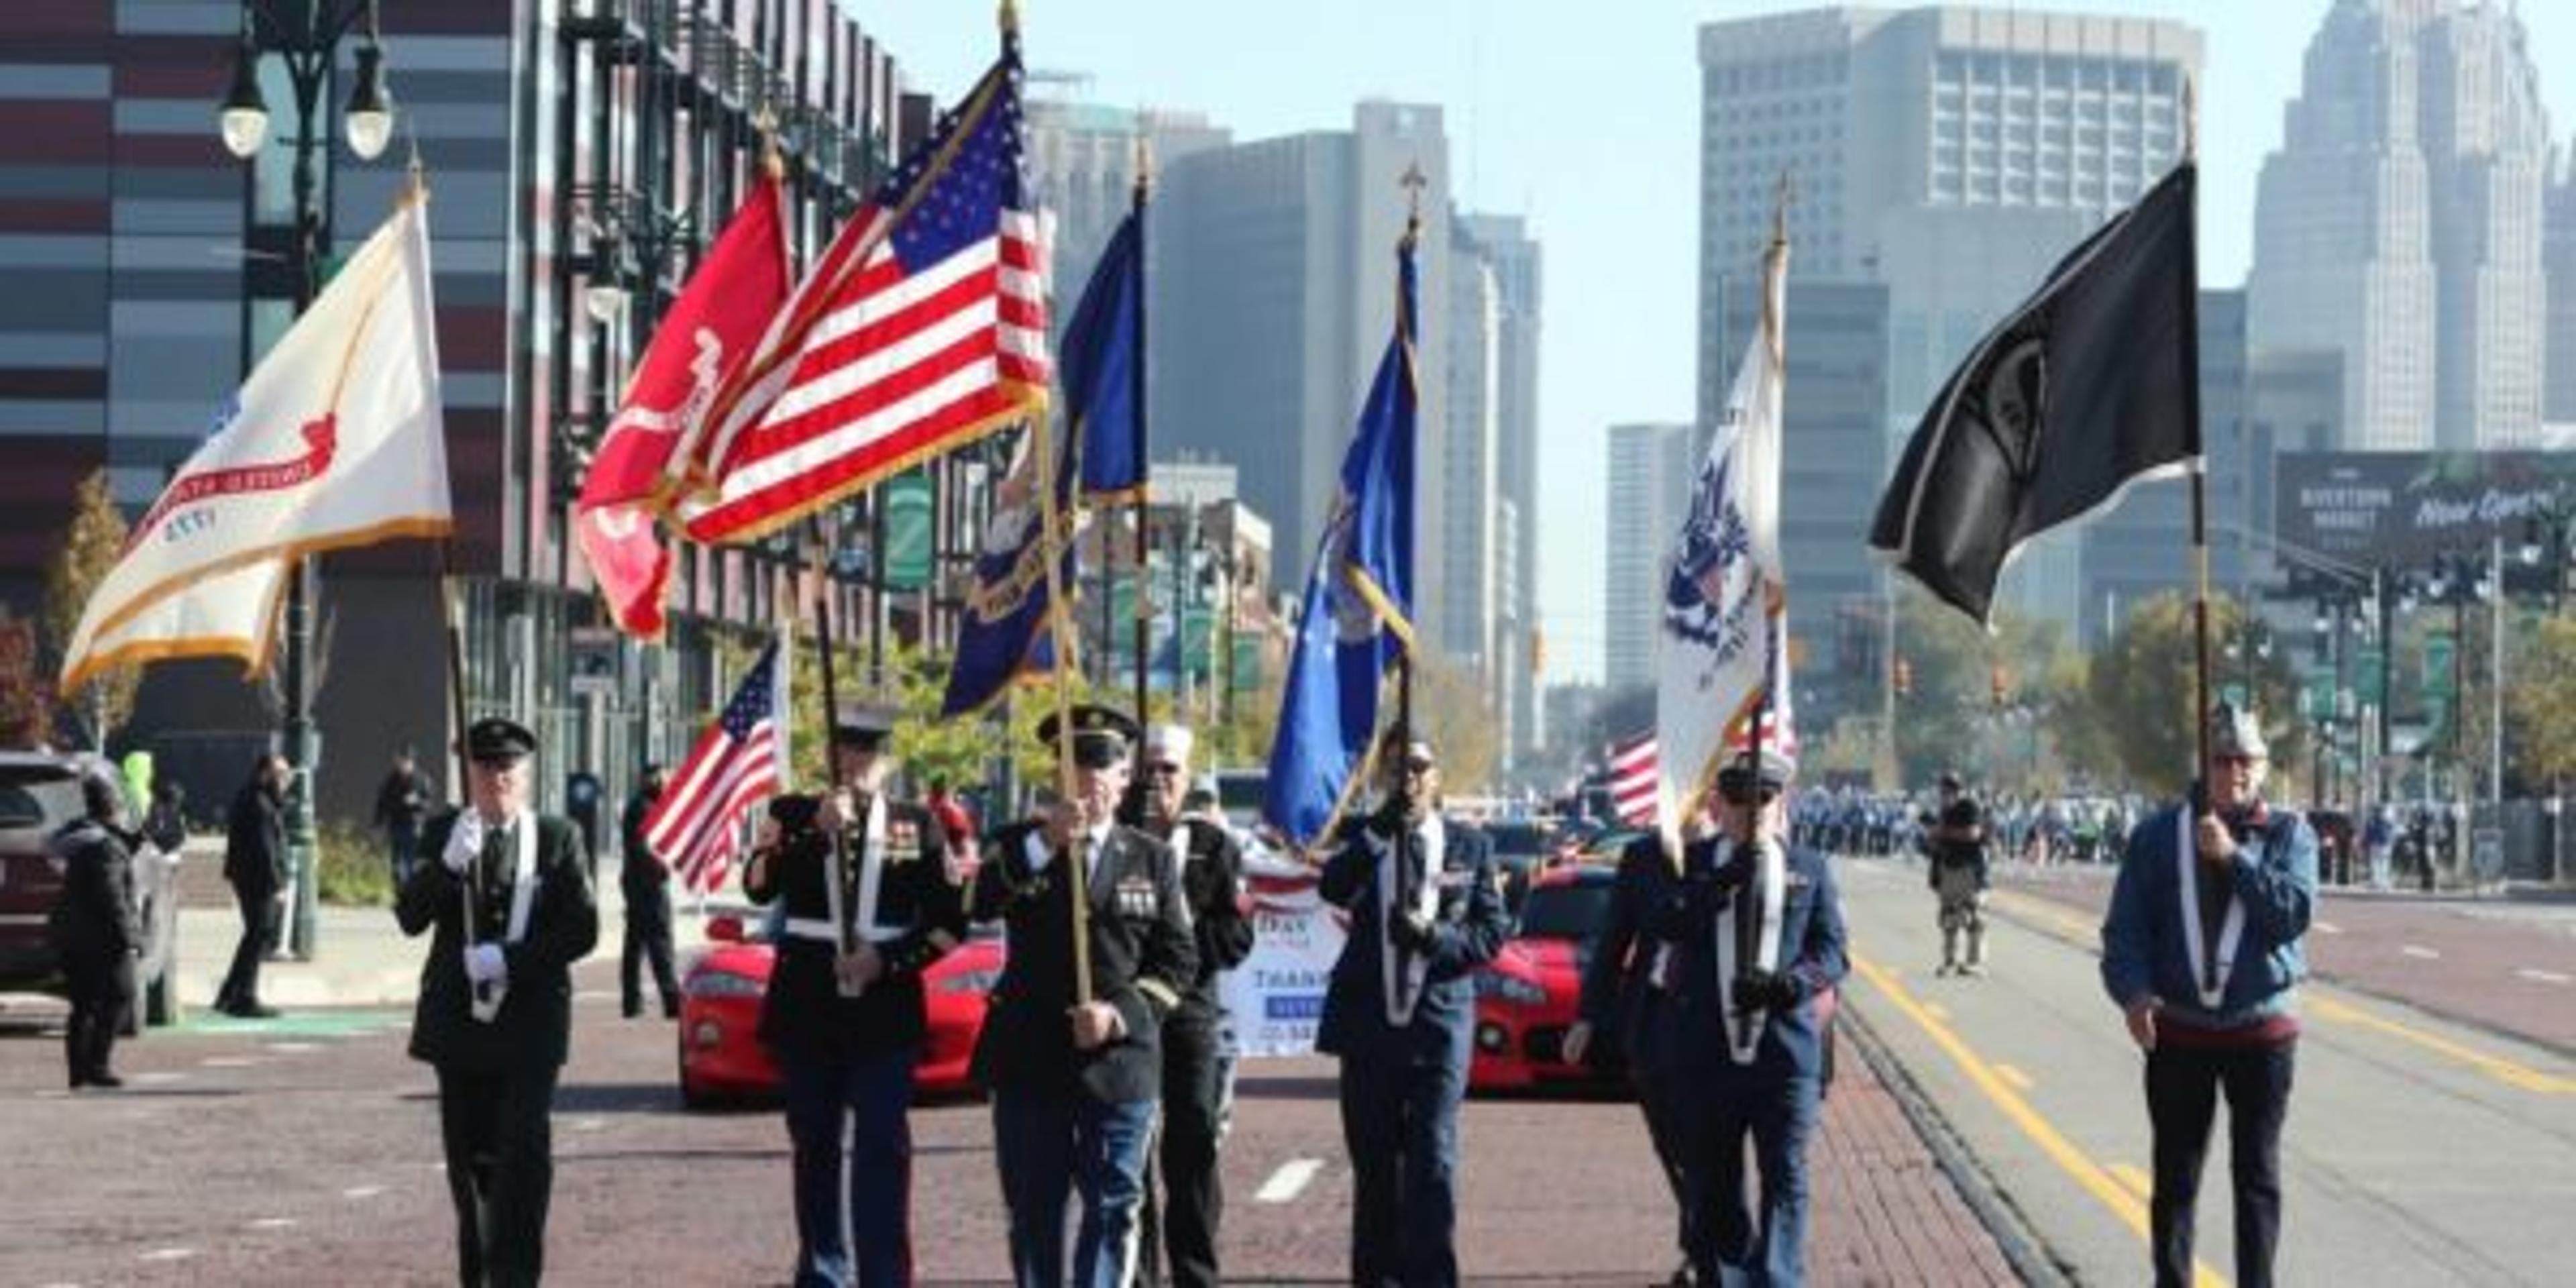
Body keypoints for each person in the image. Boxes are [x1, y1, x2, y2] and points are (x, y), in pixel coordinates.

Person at [970, 703, 1195, 1288]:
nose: (1091, 777)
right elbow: (978, 902)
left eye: (1105, 764)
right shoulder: (1018, 844)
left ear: (1126, 778)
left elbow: (1178, 961)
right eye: (1078, 763)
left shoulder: (1152, 858)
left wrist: (1119, 1016)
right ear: (1057, 774)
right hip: (1031, 1064)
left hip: (1119, 1067)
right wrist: (1047, 841)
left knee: (1115, 1208)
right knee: (1033, 1213)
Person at [743, 706, 967, 1287]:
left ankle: (884, 1274)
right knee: (814, 1142)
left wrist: (886, 961)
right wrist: (816, 830)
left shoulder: (918, 825)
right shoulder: (792, 812)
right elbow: (759, 885)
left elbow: (948, 923)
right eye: (845, 751)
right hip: (808, 1004)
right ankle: (822, 1269)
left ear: (887, 761)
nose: (853, 764)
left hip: (884, 1008)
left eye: (866, 753)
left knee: (882, 1146)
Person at [2100, 703, 2317, 1288]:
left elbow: (2290, 915)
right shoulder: (2157, 837)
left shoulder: (2290, 835)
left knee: (2257, 1177)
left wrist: (2232, 858)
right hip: (2181, 1032)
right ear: (2205, 765)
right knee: (2175, 1177)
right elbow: (2125, 931)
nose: (2234, 772)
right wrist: (2135, 994)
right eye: (2222, 760)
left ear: (2264, 768)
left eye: (2245, 760)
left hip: (2262, 1031)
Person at [398, 716, 600, 1288]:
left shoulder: (558, 839)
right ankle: (479, 1274)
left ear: (527, 774)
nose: (497, 779)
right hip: (459, 1029)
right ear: (471, 774)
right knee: (468, 1165)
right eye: (486, 769)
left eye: (508, 769)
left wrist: (511, 960)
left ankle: (515, 1276)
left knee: (522, 1160)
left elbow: (581, 930)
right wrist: (447, 867)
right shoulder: (446, 833)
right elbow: (409, 917)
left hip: (529, 1031)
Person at [1646, 746, 1847, 1287]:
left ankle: (1779, 1278)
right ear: (1717, 803)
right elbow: (1667, 923)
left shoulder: (1811, 868)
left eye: (1764, 796)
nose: (1750, 809)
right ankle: (1729, 1276)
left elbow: (1832, 954)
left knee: (1786, 1176)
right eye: (1738, 796)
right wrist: (1720, 883)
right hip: (1707, 1054)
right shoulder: (1689, 863)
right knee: (1714, 1182)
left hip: (1784, 1055)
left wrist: (1789, 986)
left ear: (1783, 802)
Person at [1316, 731, 1507, 1288]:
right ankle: (1376, 1277)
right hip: (1370, 1026)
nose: (1411, 779)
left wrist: (1434, 937)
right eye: (1398, 768)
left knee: (1432, 1160)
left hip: (1438, 1023)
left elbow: (1491, 933)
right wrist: (1377, 832)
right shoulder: (1366, 838)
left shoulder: (1471, 846)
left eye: (1421, 767)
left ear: (1438, 777)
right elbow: (1333, 886)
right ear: (1383, 777)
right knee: (1375, 1165)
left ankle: (1431, 1277)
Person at [1127, 723, 1256, 1288]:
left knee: (1193, 1145)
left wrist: (1179, 946)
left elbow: (1237, 937)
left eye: (1169, 770)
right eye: (1149, 768)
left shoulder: (1215, 847)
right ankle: (1137, 1273)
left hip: (1189, 1016)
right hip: (1129, 1015)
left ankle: (1195, 1274)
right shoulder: (1117, 840)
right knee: (1129, 1151)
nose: (1158, 780)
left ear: (1187, 777)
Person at [1568, 806, 1701, 1287]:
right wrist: (1586, 1016)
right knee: (1671, 1143)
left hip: (1712, 1028)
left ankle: (1706, 1253)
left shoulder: (1735, 857)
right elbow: (1614, 940)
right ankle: (1704, 1238)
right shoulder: (1643, 858)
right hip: (1654, 1019)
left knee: (1709, 1146)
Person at [48, 770, 144, 1089]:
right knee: (121, 995)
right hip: (102, 937)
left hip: (72, 934)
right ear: (112, 808)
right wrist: (130, 938)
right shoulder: (105, 847)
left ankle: (78, 1071)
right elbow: (112, 895)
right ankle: (97, 1064)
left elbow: (118, 846)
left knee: (83, 1004)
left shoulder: (79, 838)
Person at [214, 751, 289, 1019]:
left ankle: (230, 993)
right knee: (259, 935)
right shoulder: (258, 801)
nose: (286, 780)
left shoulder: (261, 798)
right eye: (280, 774)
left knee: (255, 936)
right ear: (264, 773)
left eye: (287, 774)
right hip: (257, 879)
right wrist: (278, 884)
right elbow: (265, 848)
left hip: (251, 877)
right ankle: (244, 998)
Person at [619, 763, 682, 1020]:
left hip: (639, 883)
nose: (669, 783)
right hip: (647, 884)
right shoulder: (643, 807)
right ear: (654, 779)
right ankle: (671, 1000)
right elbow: (641, 847)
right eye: (666, 778)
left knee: (636, 943)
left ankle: (632, 1003)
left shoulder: (645, 805)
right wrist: (663, 867)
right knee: (659, 941)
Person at [1924, 774, 1993, 977]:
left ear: (1956, 790)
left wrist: (1943, 832)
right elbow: (1938, 840)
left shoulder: (1969, 806)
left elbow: (1973, 833)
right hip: (1949, 867)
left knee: (1973, 915)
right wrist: (1932, 836)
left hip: (1969, 868)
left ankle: (1976, 962)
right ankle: (1950, 960)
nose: (1943, 795)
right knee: (1948, 916)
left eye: (1946, 791)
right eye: (1942, 791)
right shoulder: (1945, 811)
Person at [374, 747, 435, 887]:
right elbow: (382, 802)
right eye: (399, 761)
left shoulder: (422, 779)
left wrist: (417, 802)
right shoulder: (391, 780)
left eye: (404, 761)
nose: (401, 764)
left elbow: (429, 803)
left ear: (412, 762)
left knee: (411, 864)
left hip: (413, 827)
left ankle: (412, 894)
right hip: (396, 825)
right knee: (396, 866)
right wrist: (378, 824)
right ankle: (401, 894)